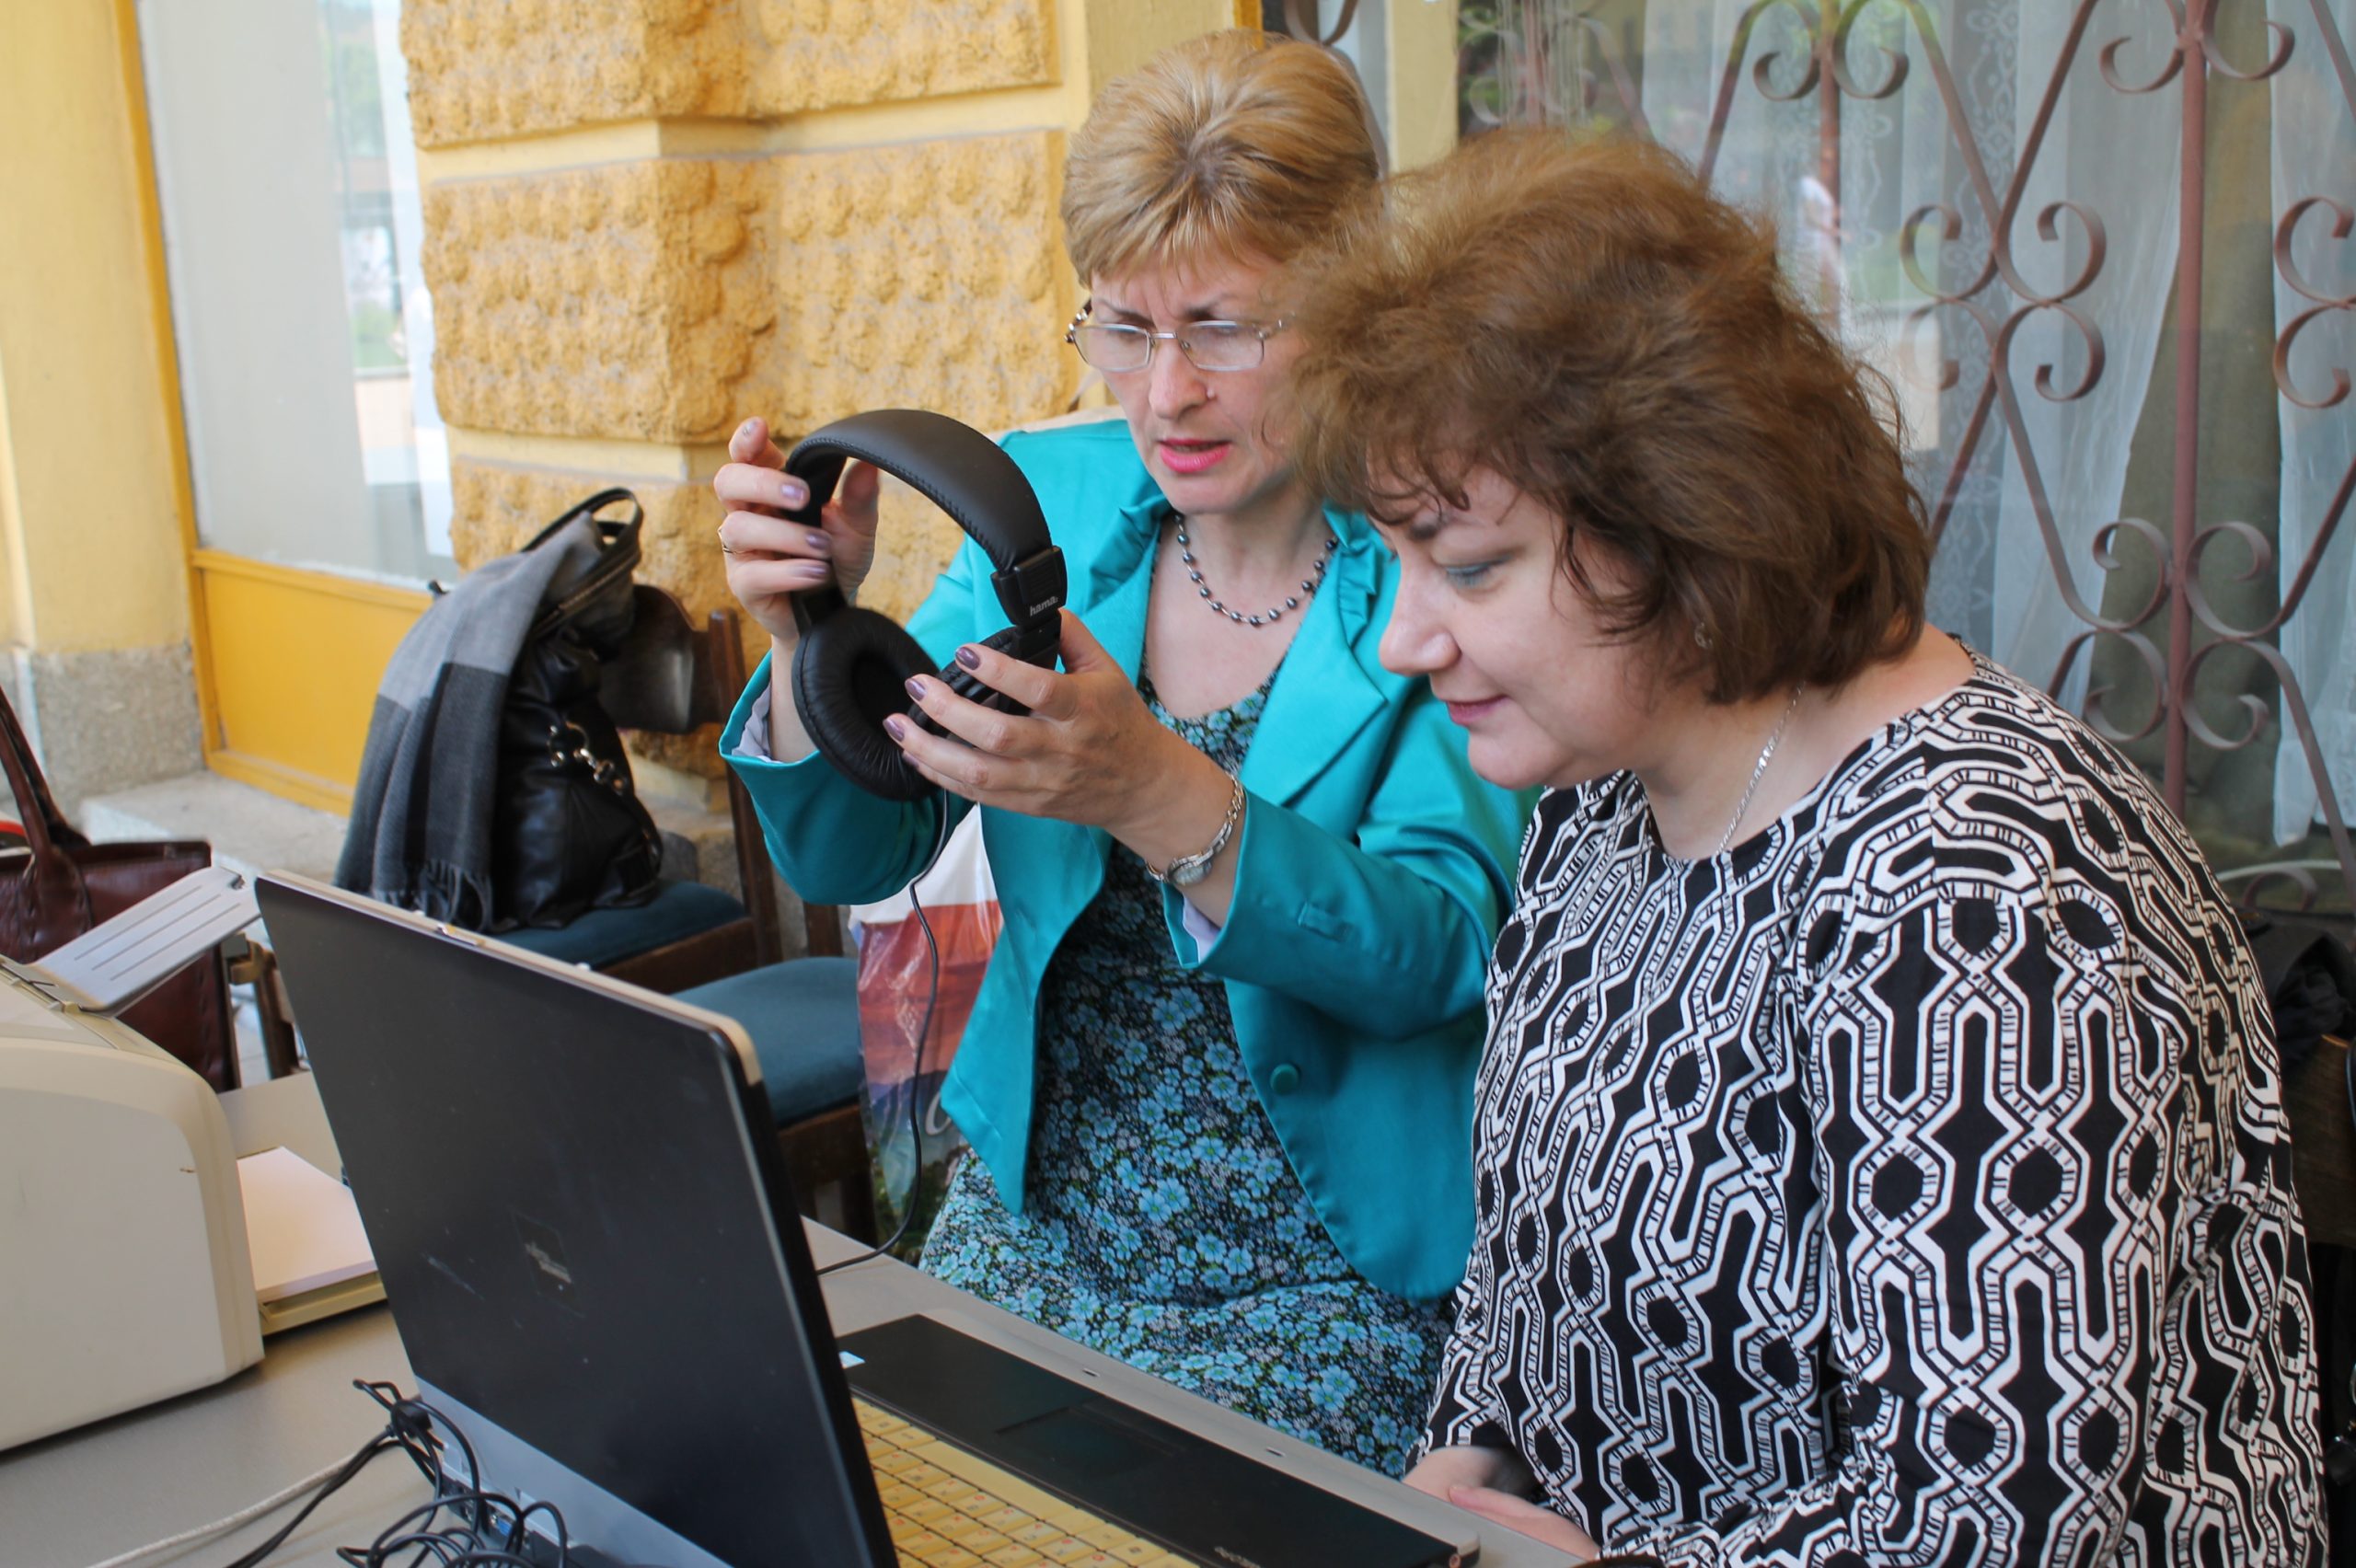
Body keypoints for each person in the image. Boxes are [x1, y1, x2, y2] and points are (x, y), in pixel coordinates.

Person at [1288, 129, 2326, 1561]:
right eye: (1394, 559)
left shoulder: (1981, 887)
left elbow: (1998, 1518)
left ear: (1685, 520)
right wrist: (1465, 1462)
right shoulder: (1604, 796)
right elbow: (1535, 1277)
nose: (1405, 639)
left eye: (1469, 567)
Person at [710, 31, 1526, 1475]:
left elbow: (1446, 956)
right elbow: (862, 843)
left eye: (1224, 328)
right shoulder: (1049, 507)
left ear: (1353, 302)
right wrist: (803, 642)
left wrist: (1160, 794)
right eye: (1124, 327)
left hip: (1326, 1284)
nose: (1165, 394)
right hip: (1036, 1222)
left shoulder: (1433, 539)